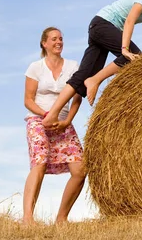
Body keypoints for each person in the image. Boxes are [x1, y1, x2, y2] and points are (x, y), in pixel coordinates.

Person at [43, 0, 142, 129]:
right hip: (102, 24)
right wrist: (125, 50)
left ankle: (52, 115)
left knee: (83, 76)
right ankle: (95, 80)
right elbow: (129, 21)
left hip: (101, 28)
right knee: (134, 57)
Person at [22, 27, 86, 225]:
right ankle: (27, 218)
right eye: (53, 39)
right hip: (38, 121)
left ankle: (61, 218)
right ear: (44, 43)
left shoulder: (73, 66)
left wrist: (67, 121)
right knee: (39, 164)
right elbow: (28, 100)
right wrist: (47, 115)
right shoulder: (35, 67)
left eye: (60, 39)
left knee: (80, 169)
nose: (58, 42)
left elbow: (77, 98)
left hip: (63, 123)